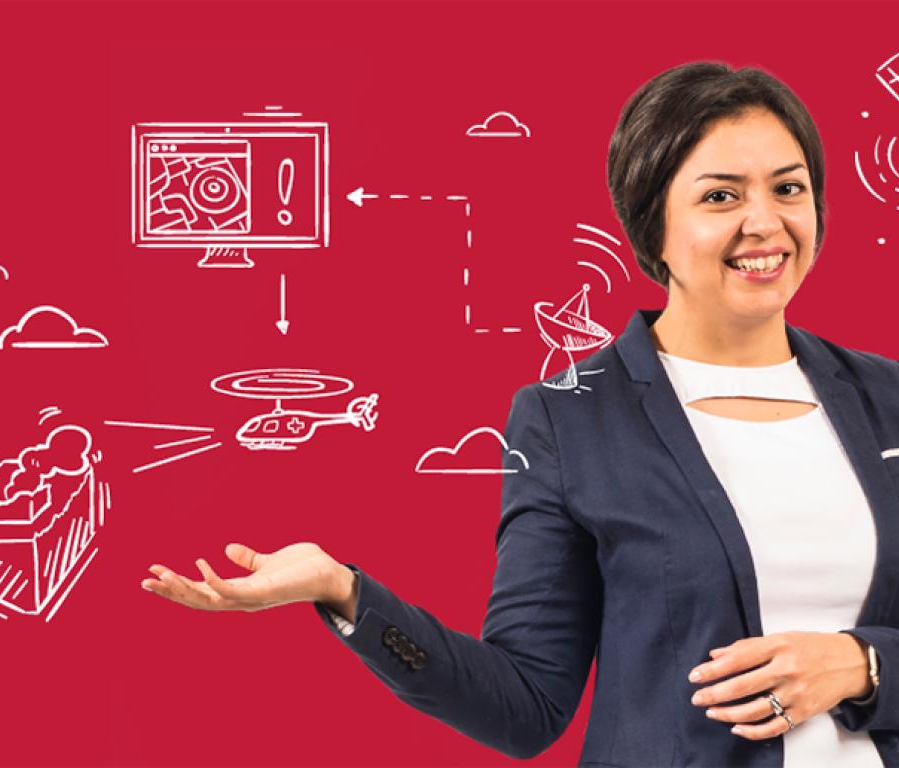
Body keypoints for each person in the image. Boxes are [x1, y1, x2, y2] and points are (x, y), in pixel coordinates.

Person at [141, 62, 899, 767]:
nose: (765, 223)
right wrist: (345, 592)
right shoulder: (570, 419)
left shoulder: (889, 399)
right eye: (720, 196)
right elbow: (525, 706)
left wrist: (864, 665)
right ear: (652, 225)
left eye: (789, 189)